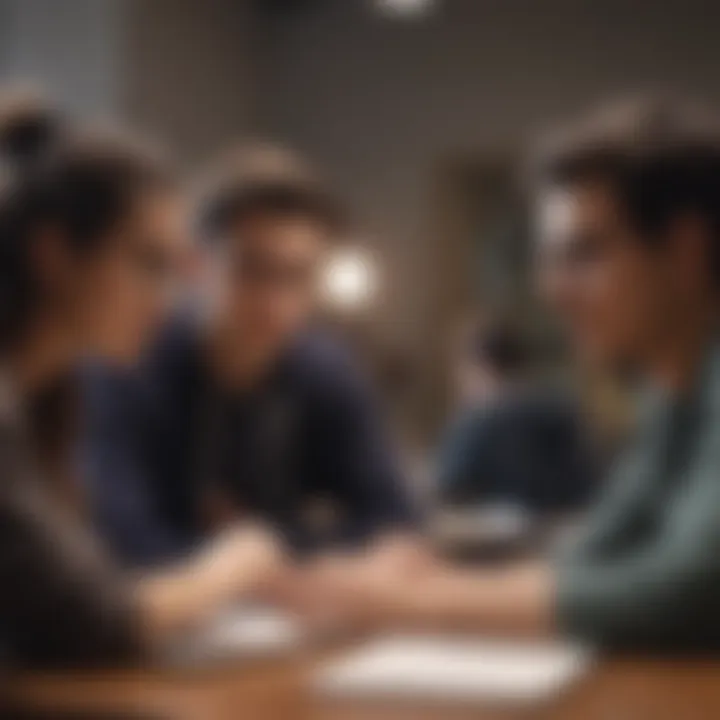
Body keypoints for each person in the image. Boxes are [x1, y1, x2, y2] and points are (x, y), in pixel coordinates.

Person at [304, 95, 720, 651]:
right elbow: (596, 553)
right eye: (551, 259)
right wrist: (438, 579)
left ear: (685, 249)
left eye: (586, 253)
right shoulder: (676, 385)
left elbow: (690, 595)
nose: (552, 290)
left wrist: (403, 603)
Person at [0, 96, 284, 668]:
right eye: (149, 263)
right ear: (54, 255)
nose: (169, 297)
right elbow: (98, 621)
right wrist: (233, 565)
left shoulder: (51, 396)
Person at [81, 144, 416, 568]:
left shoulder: (325, 369)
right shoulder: (127, 363)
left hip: (278, 615)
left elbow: (396, 522)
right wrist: (286, 548)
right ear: (194, 265)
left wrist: (267, 548)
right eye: (251, 269)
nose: (275, 303)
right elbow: (121, 539)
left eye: (298, 276)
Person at [438, 316, 595, 513]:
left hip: (504, 536)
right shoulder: (561, 410)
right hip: (568, 526)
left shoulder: (479, 420)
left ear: (480, 366)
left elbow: (447, 486)